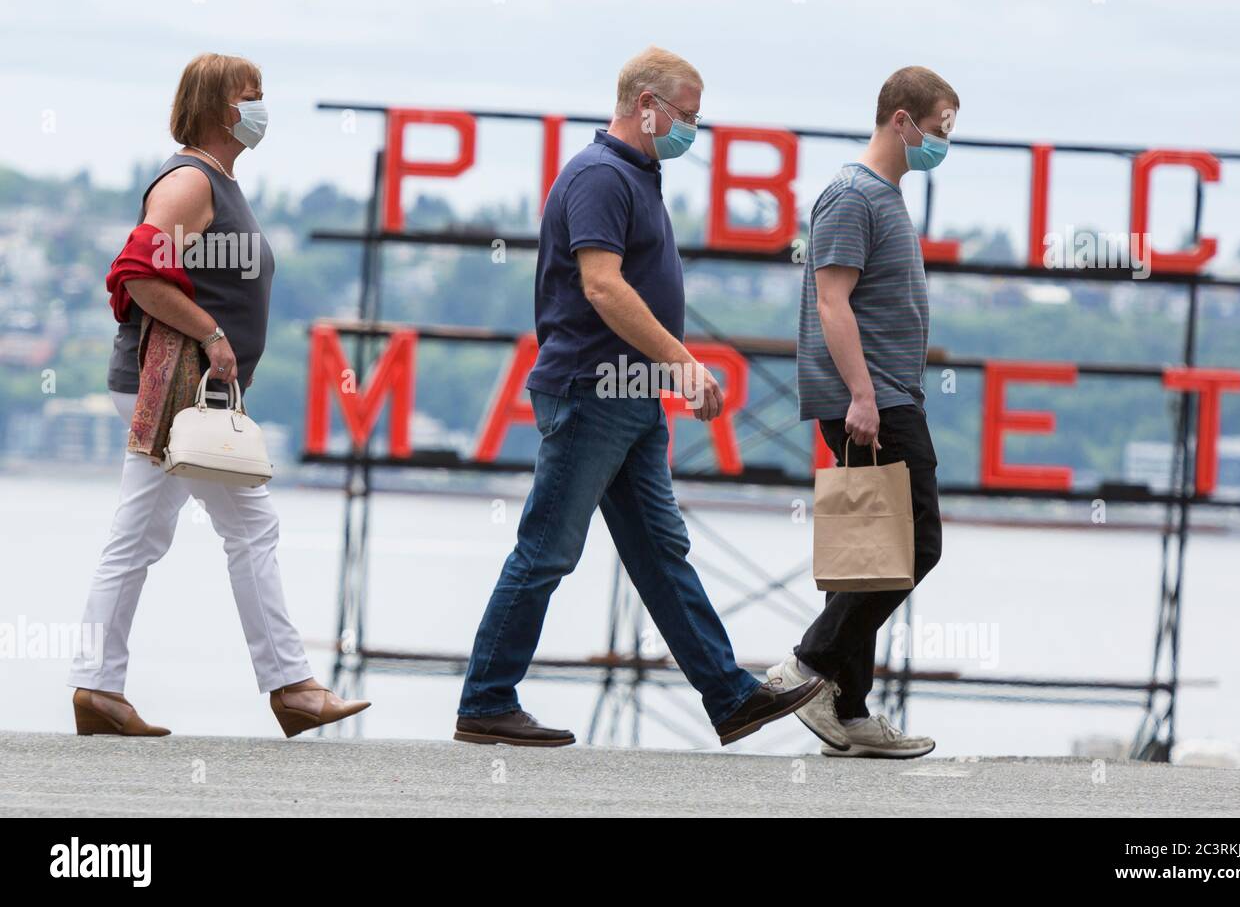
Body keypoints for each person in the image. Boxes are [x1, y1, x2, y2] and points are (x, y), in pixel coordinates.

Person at [454, 46, 824, 747]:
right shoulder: (600, 176)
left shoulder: (635, 176)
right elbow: (601, 285)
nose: (692, 128)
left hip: (630, 398)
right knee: (547, 550)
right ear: (645, 106)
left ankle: (728, 695)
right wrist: (683, 361)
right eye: (685, 113)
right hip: (593, 391)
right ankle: (486, 701)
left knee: (660, 553)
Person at [67, 53, 369, 738]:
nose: (261, 106)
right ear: (213, 105)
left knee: (137, 537)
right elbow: (137, 276)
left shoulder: (219, 182)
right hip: (174, 389)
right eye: (250, 95)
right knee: (250, 526)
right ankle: (292, 687)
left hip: (179, 393)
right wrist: (212, 332)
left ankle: (96, 687)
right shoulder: (190, 182)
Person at [768, 66, 958, 758]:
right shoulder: (852, 195)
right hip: (872, 401)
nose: (943, 144)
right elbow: (831, 302)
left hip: (886, 396)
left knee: (872, 557)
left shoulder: (884, 196)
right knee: (918, 543)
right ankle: (808, 666)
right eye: (939, 129)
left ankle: (848, 714)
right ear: (901, 121)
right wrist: (863, 396)